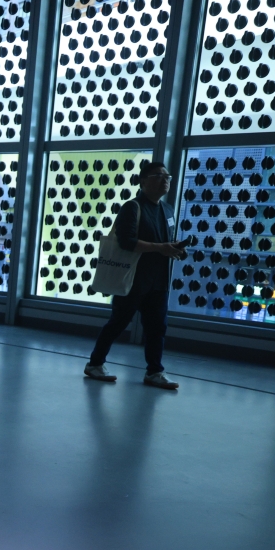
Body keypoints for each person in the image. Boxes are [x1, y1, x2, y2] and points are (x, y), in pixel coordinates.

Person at [84, 160, 188, 389]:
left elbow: (164, 240)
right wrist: (160, 248)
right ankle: (95, 363)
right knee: (118, 323)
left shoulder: (167, 209)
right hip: (132, 278)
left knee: (157, 328)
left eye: (167, 177)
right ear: (143, 181)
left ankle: (154, 371)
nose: (165, 180)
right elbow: (126, 241)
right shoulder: (132, 207)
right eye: (158, 176)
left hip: (158, 280)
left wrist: (175, 248)